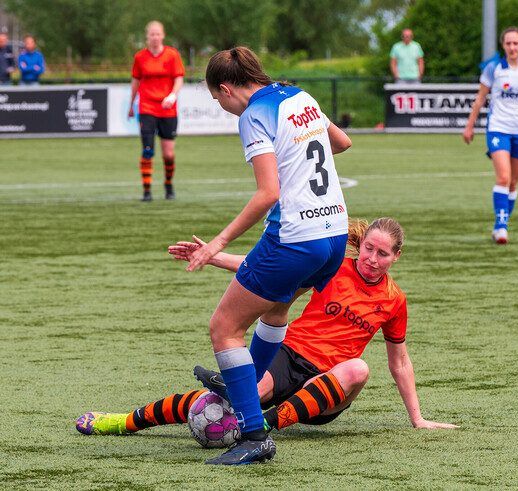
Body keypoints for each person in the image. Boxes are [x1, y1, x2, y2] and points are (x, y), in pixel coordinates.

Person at [75, 219, 458, 440]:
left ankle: (257, 429)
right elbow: (263, 269)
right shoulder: (334, 267)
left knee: (359, 369)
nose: (372, 260)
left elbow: (401, 362)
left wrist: (417, 417)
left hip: (327, 384)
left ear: (397, 256)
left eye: (383, 253)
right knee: (239, 398)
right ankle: (124, 421)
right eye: (369, 249)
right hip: (286, 357)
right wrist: (210, 255)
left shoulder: (395, 301)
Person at [182, 46, 352, 465]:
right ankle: (248, 380)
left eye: (217, 99)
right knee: (275, 311)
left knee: (224, 327)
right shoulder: (300, 96)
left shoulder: (254, 115)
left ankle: (254, 433)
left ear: (225, 88)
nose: (221, 107)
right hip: (334, 235)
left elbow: (268, 193)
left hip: (295, 237)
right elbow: (342, 143)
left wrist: (217, 243)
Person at [462, 26, 518, 245]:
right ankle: (501, 227)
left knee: (514, 182)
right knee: (503, 177)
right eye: (508, 43)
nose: (512, 47)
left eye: (516, 43)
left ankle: (501, 223)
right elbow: (480, 99)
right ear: (503, 46)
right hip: (498, 128)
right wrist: (469, 126)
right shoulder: (494, 69)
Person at [129, 21, 185, 201]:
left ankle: (168, 184)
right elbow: (135, 82)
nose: (155, 37)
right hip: (146, 107)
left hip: (168, 109)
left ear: (163, 35)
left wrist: (172, 95)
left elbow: (178, 78)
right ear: (147, 36)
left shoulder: (172, 55)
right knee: (147, 150)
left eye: (158, 34)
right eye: (152, 34)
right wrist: (131, 105)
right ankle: (146, 191)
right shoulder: (140, 57)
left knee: (168, 154)